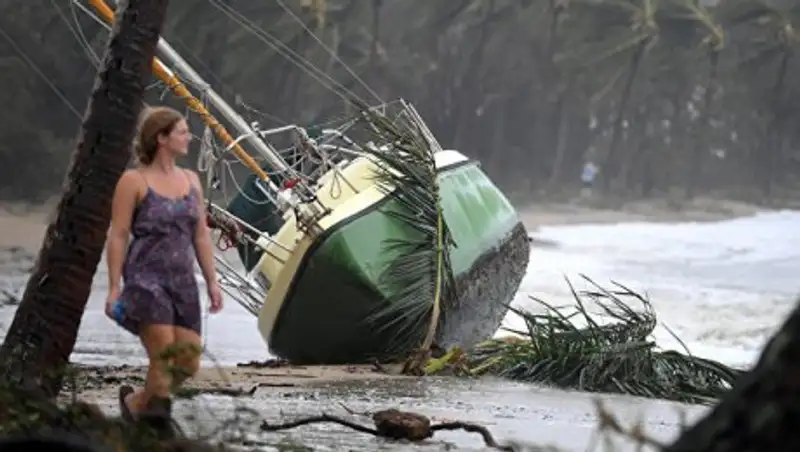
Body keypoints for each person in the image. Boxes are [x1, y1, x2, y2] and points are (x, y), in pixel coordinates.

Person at [105, 106, 224, 422]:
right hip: (146, 280)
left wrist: (212, 281)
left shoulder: (191, 180)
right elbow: (117, 235)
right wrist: (114, 287)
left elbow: (200, 235)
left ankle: (136, 405)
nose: (189, 137)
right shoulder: (134, 181)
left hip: (183, 282)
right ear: (161, 138)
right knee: (162, 356)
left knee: (187, 363)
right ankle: (155, 428)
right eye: (182, 131)